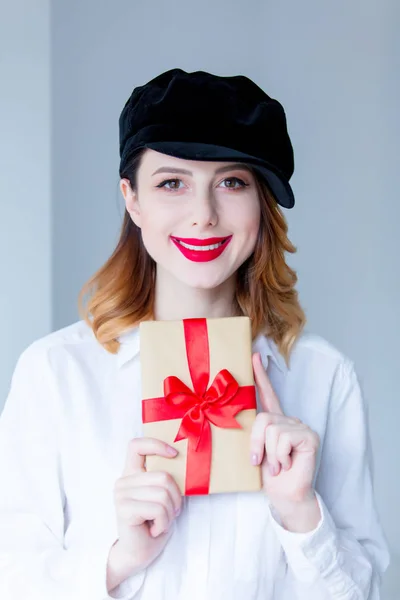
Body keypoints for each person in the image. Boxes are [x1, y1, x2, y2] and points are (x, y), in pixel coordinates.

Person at [0, 68, 390, 600]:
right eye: (171, 183)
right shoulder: (55, 374)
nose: (203, 215)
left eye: (232, 182)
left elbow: (363, 592)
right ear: (132, 198)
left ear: (261, 205)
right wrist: (118, 560)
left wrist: (301, 514)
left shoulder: (323, 378)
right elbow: (13, 579)